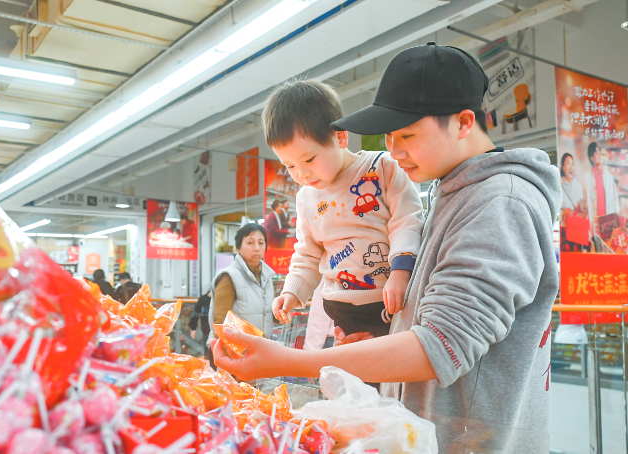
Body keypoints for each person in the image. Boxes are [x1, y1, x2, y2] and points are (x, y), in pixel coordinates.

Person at [213, 42, 560, 453]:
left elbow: (441, 345)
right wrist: (375, 343)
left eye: (407, 135)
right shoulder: (452, 193)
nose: (393, 151)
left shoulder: (500, 203)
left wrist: (289, 361)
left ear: (463, 122)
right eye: (390, 137)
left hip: (473, 441)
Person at [263, 78, 423, 347]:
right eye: (289, 166)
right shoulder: (306, 198)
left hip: (391, 299)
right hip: (340, 307)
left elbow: (406, 222)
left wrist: (400, 273)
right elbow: (307, 254)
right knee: (354, 369)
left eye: (309, 159)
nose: (302, 174)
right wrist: (292, 292)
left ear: (340, 137)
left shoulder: (383, 168)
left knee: (395, 365)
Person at [206, 223, 275, 365]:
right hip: (232, 355)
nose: (256, 248)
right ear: (239, 247)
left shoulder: (267, 278)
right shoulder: (229, 277)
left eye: (261, 243)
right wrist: (226, 356)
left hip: (257, 352)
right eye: (250, 243)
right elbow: (220, 320)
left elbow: (264, 312)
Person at [560, 153, 590, 252]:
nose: (571, 166)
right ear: (563, 167)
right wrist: (563, 213)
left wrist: (583, 207)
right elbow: (552, 211)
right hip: (564, 230)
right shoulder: (558, 186)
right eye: (568, 163)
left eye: (572, 164)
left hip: (577, 229)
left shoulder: (578, 186)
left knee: (578, 257)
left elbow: (581, 209)